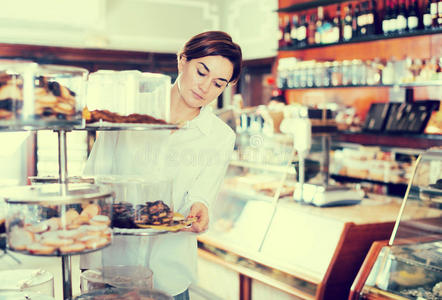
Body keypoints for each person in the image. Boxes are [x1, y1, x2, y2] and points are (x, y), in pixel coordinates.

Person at [80, 31, 242, 299]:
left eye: (218, 84)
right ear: (182, 60)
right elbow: (93, 184)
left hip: (169, 278)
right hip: (110, 270)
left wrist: (200, 209)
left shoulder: (221, 137)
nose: (205, 87)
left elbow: (202, 196)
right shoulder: (126, 113)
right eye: (201, 72)